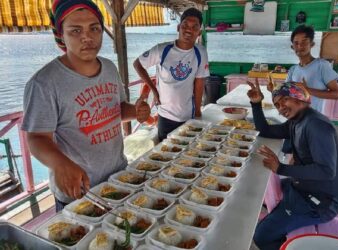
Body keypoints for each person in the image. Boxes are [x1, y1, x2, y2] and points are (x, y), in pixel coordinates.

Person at [21, 0, 150, 211]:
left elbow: (116, 110)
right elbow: (36, 138)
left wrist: (136, 111)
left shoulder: (108, 68)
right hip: (79, 191)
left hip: (119, 177)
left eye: (94, 28)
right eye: (75, 30)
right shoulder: (44, 83)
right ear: (61, 34)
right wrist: (60, 164)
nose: (87, 37)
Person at [247, 81, 338, 250]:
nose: (280, 108)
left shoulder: (316, 125)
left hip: (320, 203)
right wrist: (256, 104)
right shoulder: (297, 120)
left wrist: (281, 168)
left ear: (299, 97)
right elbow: (266, 131)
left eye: (284, 100)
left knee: (261, 236)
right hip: (303, 187)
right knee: (262, 191)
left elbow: (326, 171)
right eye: (277, 104)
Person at [133, 7, 210, 141]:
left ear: (199, 32)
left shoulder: (200, 52)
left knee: (188, 153)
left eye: (194, 27)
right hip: (165, 115)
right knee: (165, 154)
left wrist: (197, 112)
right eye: (185, 25)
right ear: (178, 27)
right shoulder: (162, 50)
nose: (189, 30)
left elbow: (199, 83)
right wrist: (153, 91)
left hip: (188, 115)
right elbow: (138, 64)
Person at [284, 24, 338, 113]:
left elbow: (336, 94)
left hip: (313, 120)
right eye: (296, 43)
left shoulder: (322, 65)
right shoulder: (293, 70)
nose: (299, 46)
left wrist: (308, 90)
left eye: (304, 42)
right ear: (292, 47)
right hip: (295, 118)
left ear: (312, 44)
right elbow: (287, 92)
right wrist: (274, 90)